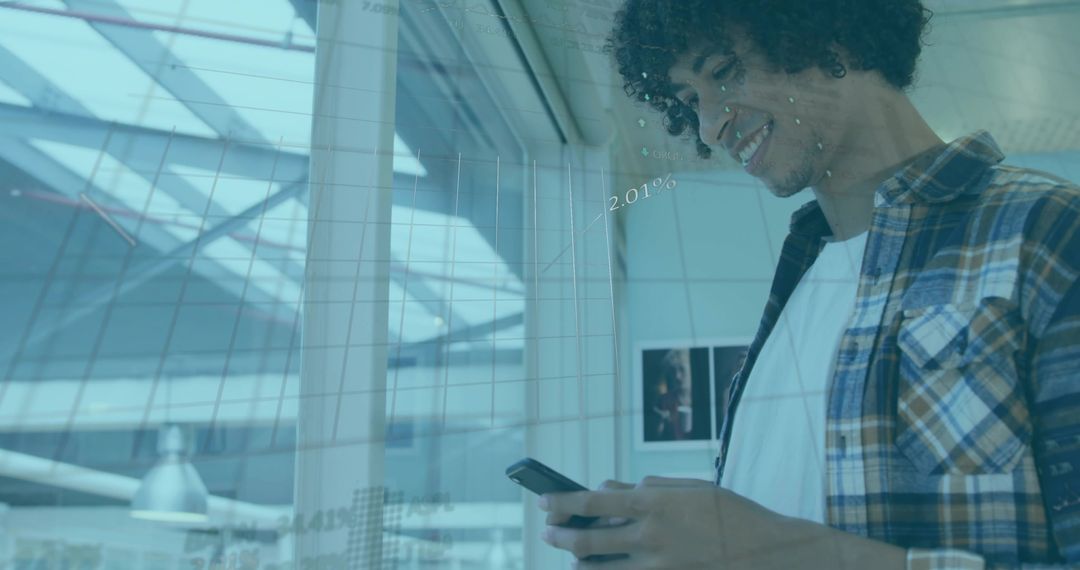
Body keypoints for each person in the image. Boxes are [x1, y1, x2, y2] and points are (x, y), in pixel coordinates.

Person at [538, 1, 1080, 568]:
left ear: (832, 32)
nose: (710, 124)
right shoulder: (793, 295)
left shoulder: (1050, 233)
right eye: (691, 101)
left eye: (723, 72)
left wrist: (770, 549)